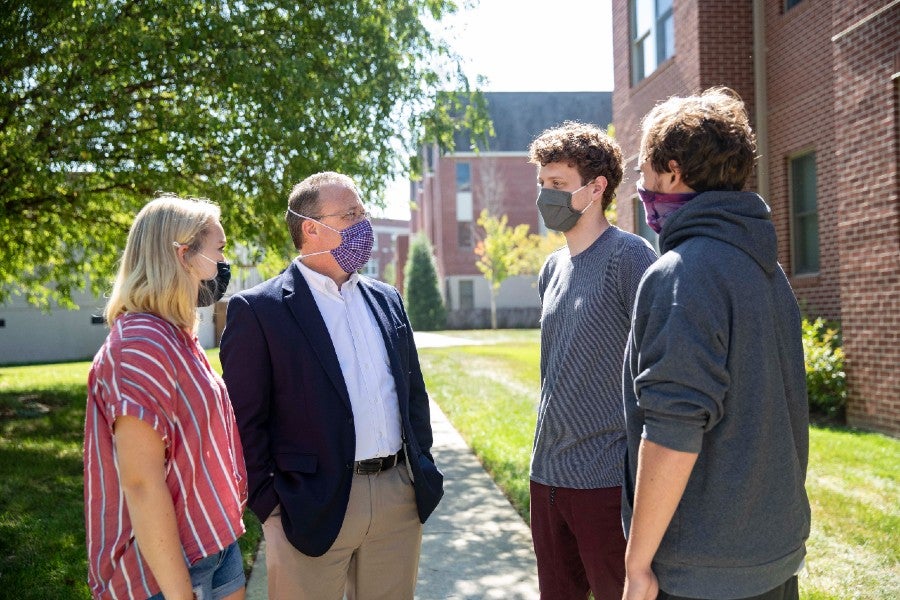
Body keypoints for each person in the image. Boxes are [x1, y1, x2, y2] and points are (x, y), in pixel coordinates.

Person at [621, 87, 810, 600]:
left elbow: (671, 434)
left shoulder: (681, 274)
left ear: (673, 172)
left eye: (644, 171)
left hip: (698, 573)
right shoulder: (766, 270)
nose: (640, 185)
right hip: (772, 558)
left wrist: (637, 567)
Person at [220, 171, 443, 600]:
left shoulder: (387, 298)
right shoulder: (259, 310)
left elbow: (413, 393)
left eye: (363, 212)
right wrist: (270, 506)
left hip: (398, 495)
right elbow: (245, 422)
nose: (364, 224)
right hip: (309, 505)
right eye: (351, 214)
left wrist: (422, 470)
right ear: (311, 228)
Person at [84, 194, 247, 600]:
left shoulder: (176, 337)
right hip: (162, 570)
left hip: (213, 541)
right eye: (220, 249)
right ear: (183, 254)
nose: (224, 263)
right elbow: (141, 483)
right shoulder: (140, 342)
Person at [527, 122, 658, 599]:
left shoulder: (631, 258)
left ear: (596, 187)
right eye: (543, 185)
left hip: (605, 482)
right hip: (546, 478)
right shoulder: (552, 268)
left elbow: (655, 370)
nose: (546, 197)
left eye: (558, 185)